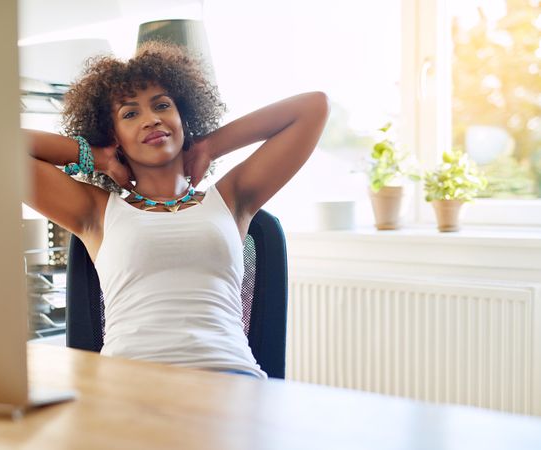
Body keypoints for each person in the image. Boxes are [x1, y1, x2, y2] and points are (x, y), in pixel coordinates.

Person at [25, 42, 329, 379]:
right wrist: (98, 157)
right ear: (113, 135)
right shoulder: (94, 211)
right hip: (128, 385)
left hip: (229, 379)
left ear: (183, 115)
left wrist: (210, 146)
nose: (152, 119)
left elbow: (313, 106)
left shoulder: (231, 198)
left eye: (162, 105)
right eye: (130, 113)